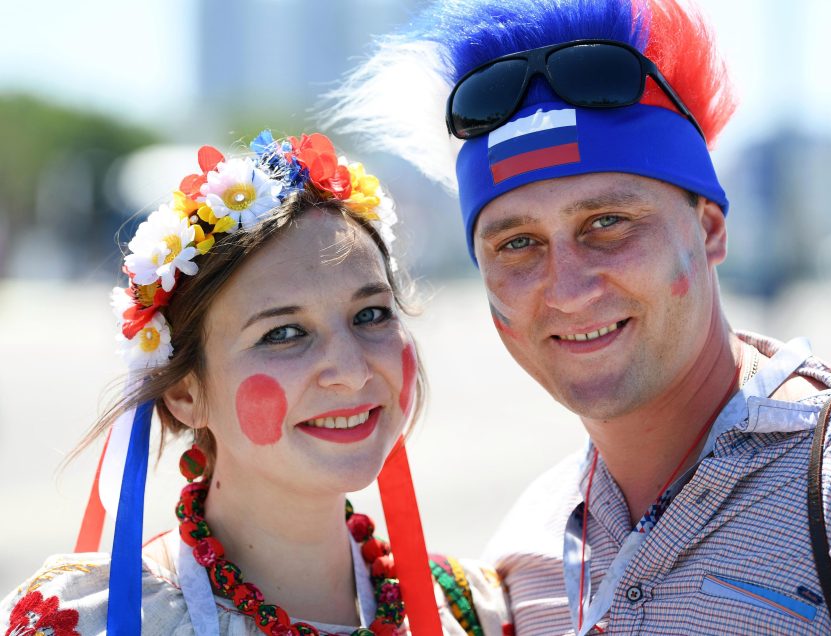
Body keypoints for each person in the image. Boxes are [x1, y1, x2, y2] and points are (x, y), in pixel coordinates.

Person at [327, 1, 831, 634]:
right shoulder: (528, 553)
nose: (567, 290)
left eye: (608, 223)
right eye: (517, 244)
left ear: (710, 229)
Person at [0, 131, 510, 636]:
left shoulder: (474, 609)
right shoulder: (93, 622)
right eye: (284, 333)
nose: (352, 371)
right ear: (184, 394)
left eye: (371, 314)